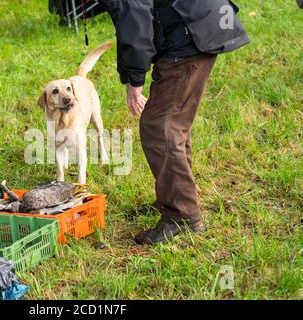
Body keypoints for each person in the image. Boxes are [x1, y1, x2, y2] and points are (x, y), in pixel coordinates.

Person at [100, 0, 250, 244]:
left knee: (160, 127)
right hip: (196, 22)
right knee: (172, 123)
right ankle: (174, 198)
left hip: (190, 32)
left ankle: (181, 214)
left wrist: (135, 81)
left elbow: (133, 17)